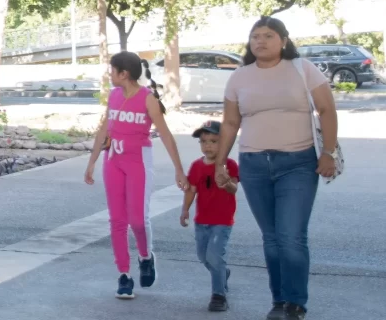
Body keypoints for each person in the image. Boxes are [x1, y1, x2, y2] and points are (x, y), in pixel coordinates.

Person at [214, 17, 338, 320]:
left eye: (268, 36)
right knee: (271, 237)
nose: (260, 41)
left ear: (283, 40)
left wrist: (328, 152)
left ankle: (296, 303)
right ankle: (279, 300)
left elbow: (327, 110)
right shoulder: (240, 77)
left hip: (297, 162)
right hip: (254, 164)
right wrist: (220, 162)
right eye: (255, 36)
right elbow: (230, 123)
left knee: (291, 236)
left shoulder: (302, 69)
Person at [85, 51, 187, 300]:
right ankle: (123, 275)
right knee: (117, 220)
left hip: (138, 162)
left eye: (112, 70)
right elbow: (103, 130)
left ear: (124, 73)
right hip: (114, 161)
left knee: (138, 220)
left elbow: (165, 135)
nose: (110, 75)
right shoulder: (114, 95)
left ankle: (145, 255)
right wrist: (92, 162)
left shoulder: (147, 99)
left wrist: (179, 169)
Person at [181, 120, 240, 312]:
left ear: (223, 143)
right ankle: (222, 274)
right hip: (202, 220)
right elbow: (192, 190)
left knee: (214, 255)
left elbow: (233, 189)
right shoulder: (197, 166)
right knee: (203, 256)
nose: (207, 145)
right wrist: (185, 210)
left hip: (222, 221)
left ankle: (219, 295)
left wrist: (227, 183)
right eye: (203, 141)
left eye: (213, 141)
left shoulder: (229, 164)